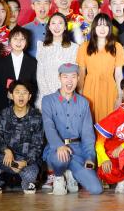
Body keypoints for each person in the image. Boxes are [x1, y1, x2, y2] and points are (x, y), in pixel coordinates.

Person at [41, 62, 103, 195]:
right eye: (65, 77)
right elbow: (49, 127)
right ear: (59, 78)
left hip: (77, 151)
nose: (69, 81)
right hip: (56, 150)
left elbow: (87, 134)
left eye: (73, 77)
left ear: (78, 78)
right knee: (61, 158)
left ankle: (70, 173)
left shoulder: (84, 103)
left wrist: (90, 157)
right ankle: (59, 177)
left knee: (96, 189)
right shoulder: (48, 100)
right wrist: (59, 145)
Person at [0, 81, 43, 194]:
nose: (21, 96)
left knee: (31, 177)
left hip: (26, 162)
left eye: (24, 93)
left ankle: (29, 182)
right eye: (17, 92)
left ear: (29, 96)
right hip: (8, 159)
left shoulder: (36, 116)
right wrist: (6, 151)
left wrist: (24, 163)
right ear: (11, 95)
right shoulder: (4, 114)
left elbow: (38, 146)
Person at [77, 13, 124, 123]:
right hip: (89, 88)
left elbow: (118, 75)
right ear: (94, 27)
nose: (102, 29)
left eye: (106, 25)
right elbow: (81, 73)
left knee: (108, 121)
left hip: (109, 87)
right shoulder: (84, 47)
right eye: (99, 25)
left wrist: (120, 96)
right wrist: (79, 94)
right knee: (89, 120)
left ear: (110, 28)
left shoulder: (117, 47)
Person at [0, 26, 37, 112]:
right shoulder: (0, 62)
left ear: (26, 42)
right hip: (5, 106)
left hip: (26, 107)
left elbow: (35, 86)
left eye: (22, 39)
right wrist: (7, 94)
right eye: (15, 38)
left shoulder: (33, 62)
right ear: (9, 41)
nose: (18, 42)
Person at [35, 12, 79, 98]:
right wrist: (49, 97)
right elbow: (40, 75)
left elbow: (73, 76)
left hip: (66, 95)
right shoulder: (42, 46)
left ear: (65, 27)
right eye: (53, 23)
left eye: (60, 23)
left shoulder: (74, 48)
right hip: (45, 96)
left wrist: (63, 95)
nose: (56, 26)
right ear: (49, 27)